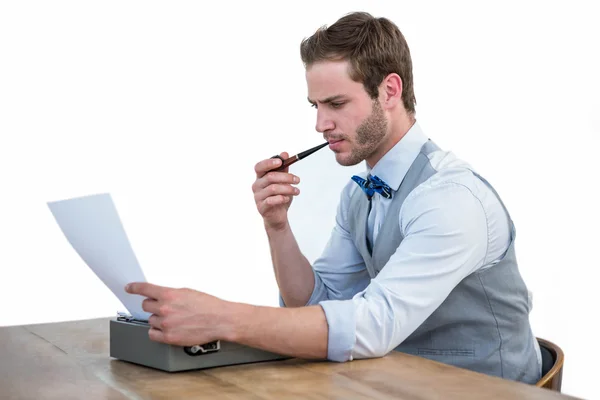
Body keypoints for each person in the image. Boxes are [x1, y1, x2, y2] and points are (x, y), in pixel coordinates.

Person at [125, 11, 542, 384]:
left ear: (390, 91)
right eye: (316, 105)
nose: (321, 123)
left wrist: (223, 318)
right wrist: (277, 227)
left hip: (486, 391)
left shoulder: (450, 199)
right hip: (401, 382)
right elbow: (316, 302)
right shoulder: (360, 194)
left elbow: (372, 326)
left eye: (337, 103)